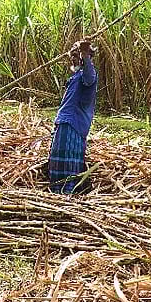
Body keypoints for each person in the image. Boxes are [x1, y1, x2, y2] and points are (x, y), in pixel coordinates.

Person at [49, 39, 97, 194]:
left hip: (73, 125)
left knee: (69, 164)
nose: (73, 58)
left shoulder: (88, 75)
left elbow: (89, 76)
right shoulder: (75, 77)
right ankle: (56, 193)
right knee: (57, 161)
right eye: (73, 55)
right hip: (63, 123)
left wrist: (85, 55)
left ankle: (67, 195)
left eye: (77, 56)